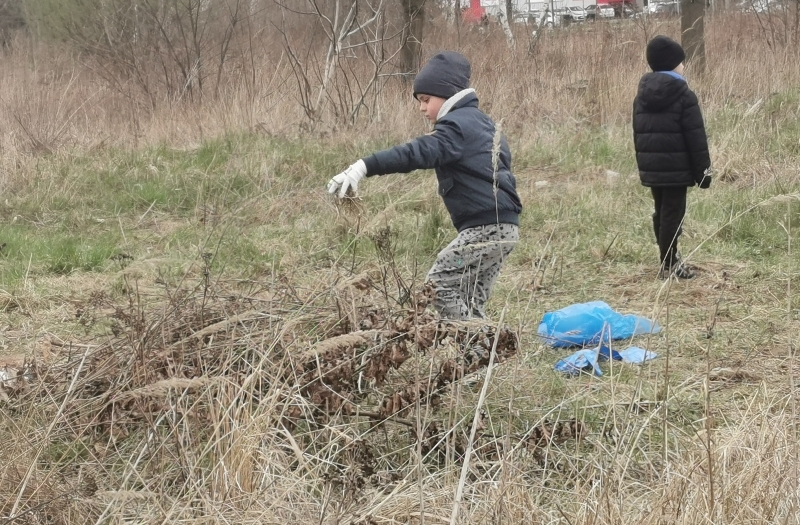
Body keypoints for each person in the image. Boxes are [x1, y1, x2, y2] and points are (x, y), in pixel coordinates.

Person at [327, 51, 522, 320]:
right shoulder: (482, 122)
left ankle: (477, 342)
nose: (421, 108)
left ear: (447, 95)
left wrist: (364, 165)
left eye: (425, 100)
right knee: (468, 298)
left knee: (439, 285)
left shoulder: (456, 127)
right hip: (506, 228)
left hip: (485, 229)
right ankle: (483, 353)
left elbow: (417, 152)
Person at [632, 35, 711, 280]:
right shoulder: (685, 96)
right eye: (680, 61)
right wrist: (704, 172)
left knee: (662, 212)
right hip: (677, 169)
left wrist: (645, 164)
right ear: (673, 64)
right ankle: (670, 264)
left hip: (653, 168)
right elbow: (696, 138)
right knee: (673, 215)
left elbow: (639, 133)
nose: (684, 65)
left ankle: (667, 259)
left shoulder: (641, 96)